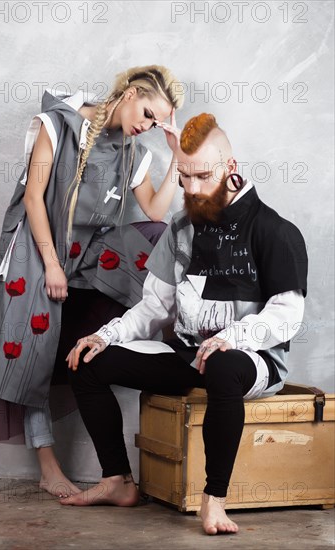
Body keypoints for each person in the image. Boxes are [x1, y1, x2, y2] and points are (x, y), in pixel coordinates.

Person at [61, 113, 308, 536]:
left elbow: (287, 317)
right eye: (184, 177)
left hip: (251, 360)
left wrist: (232, 337)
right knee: (88, 362)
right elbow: (154, 308)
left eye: (202, 176)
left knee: (224, 366)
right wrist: (106, 335)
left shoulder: (275, 231)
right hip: (192, 356)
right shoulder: (179, 230)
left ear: (231, 168)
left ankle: (214, 501)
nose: (191, 190)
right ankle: (117, 480)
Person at [0, 65, 184, 497]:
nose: (147, 126)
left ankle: (167, 341)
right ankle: (48, 465)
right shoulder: (58, 124)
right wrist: (51, 265)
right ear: (131, 93)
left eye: (155, 122)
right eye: (148, 114)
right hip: (35, 248)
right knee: (33, 342)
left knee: (157, 238)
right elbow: (34, 198)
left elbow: (153, 213)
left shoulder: (134, 151)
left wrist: (176, 157)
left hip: (83, 253)